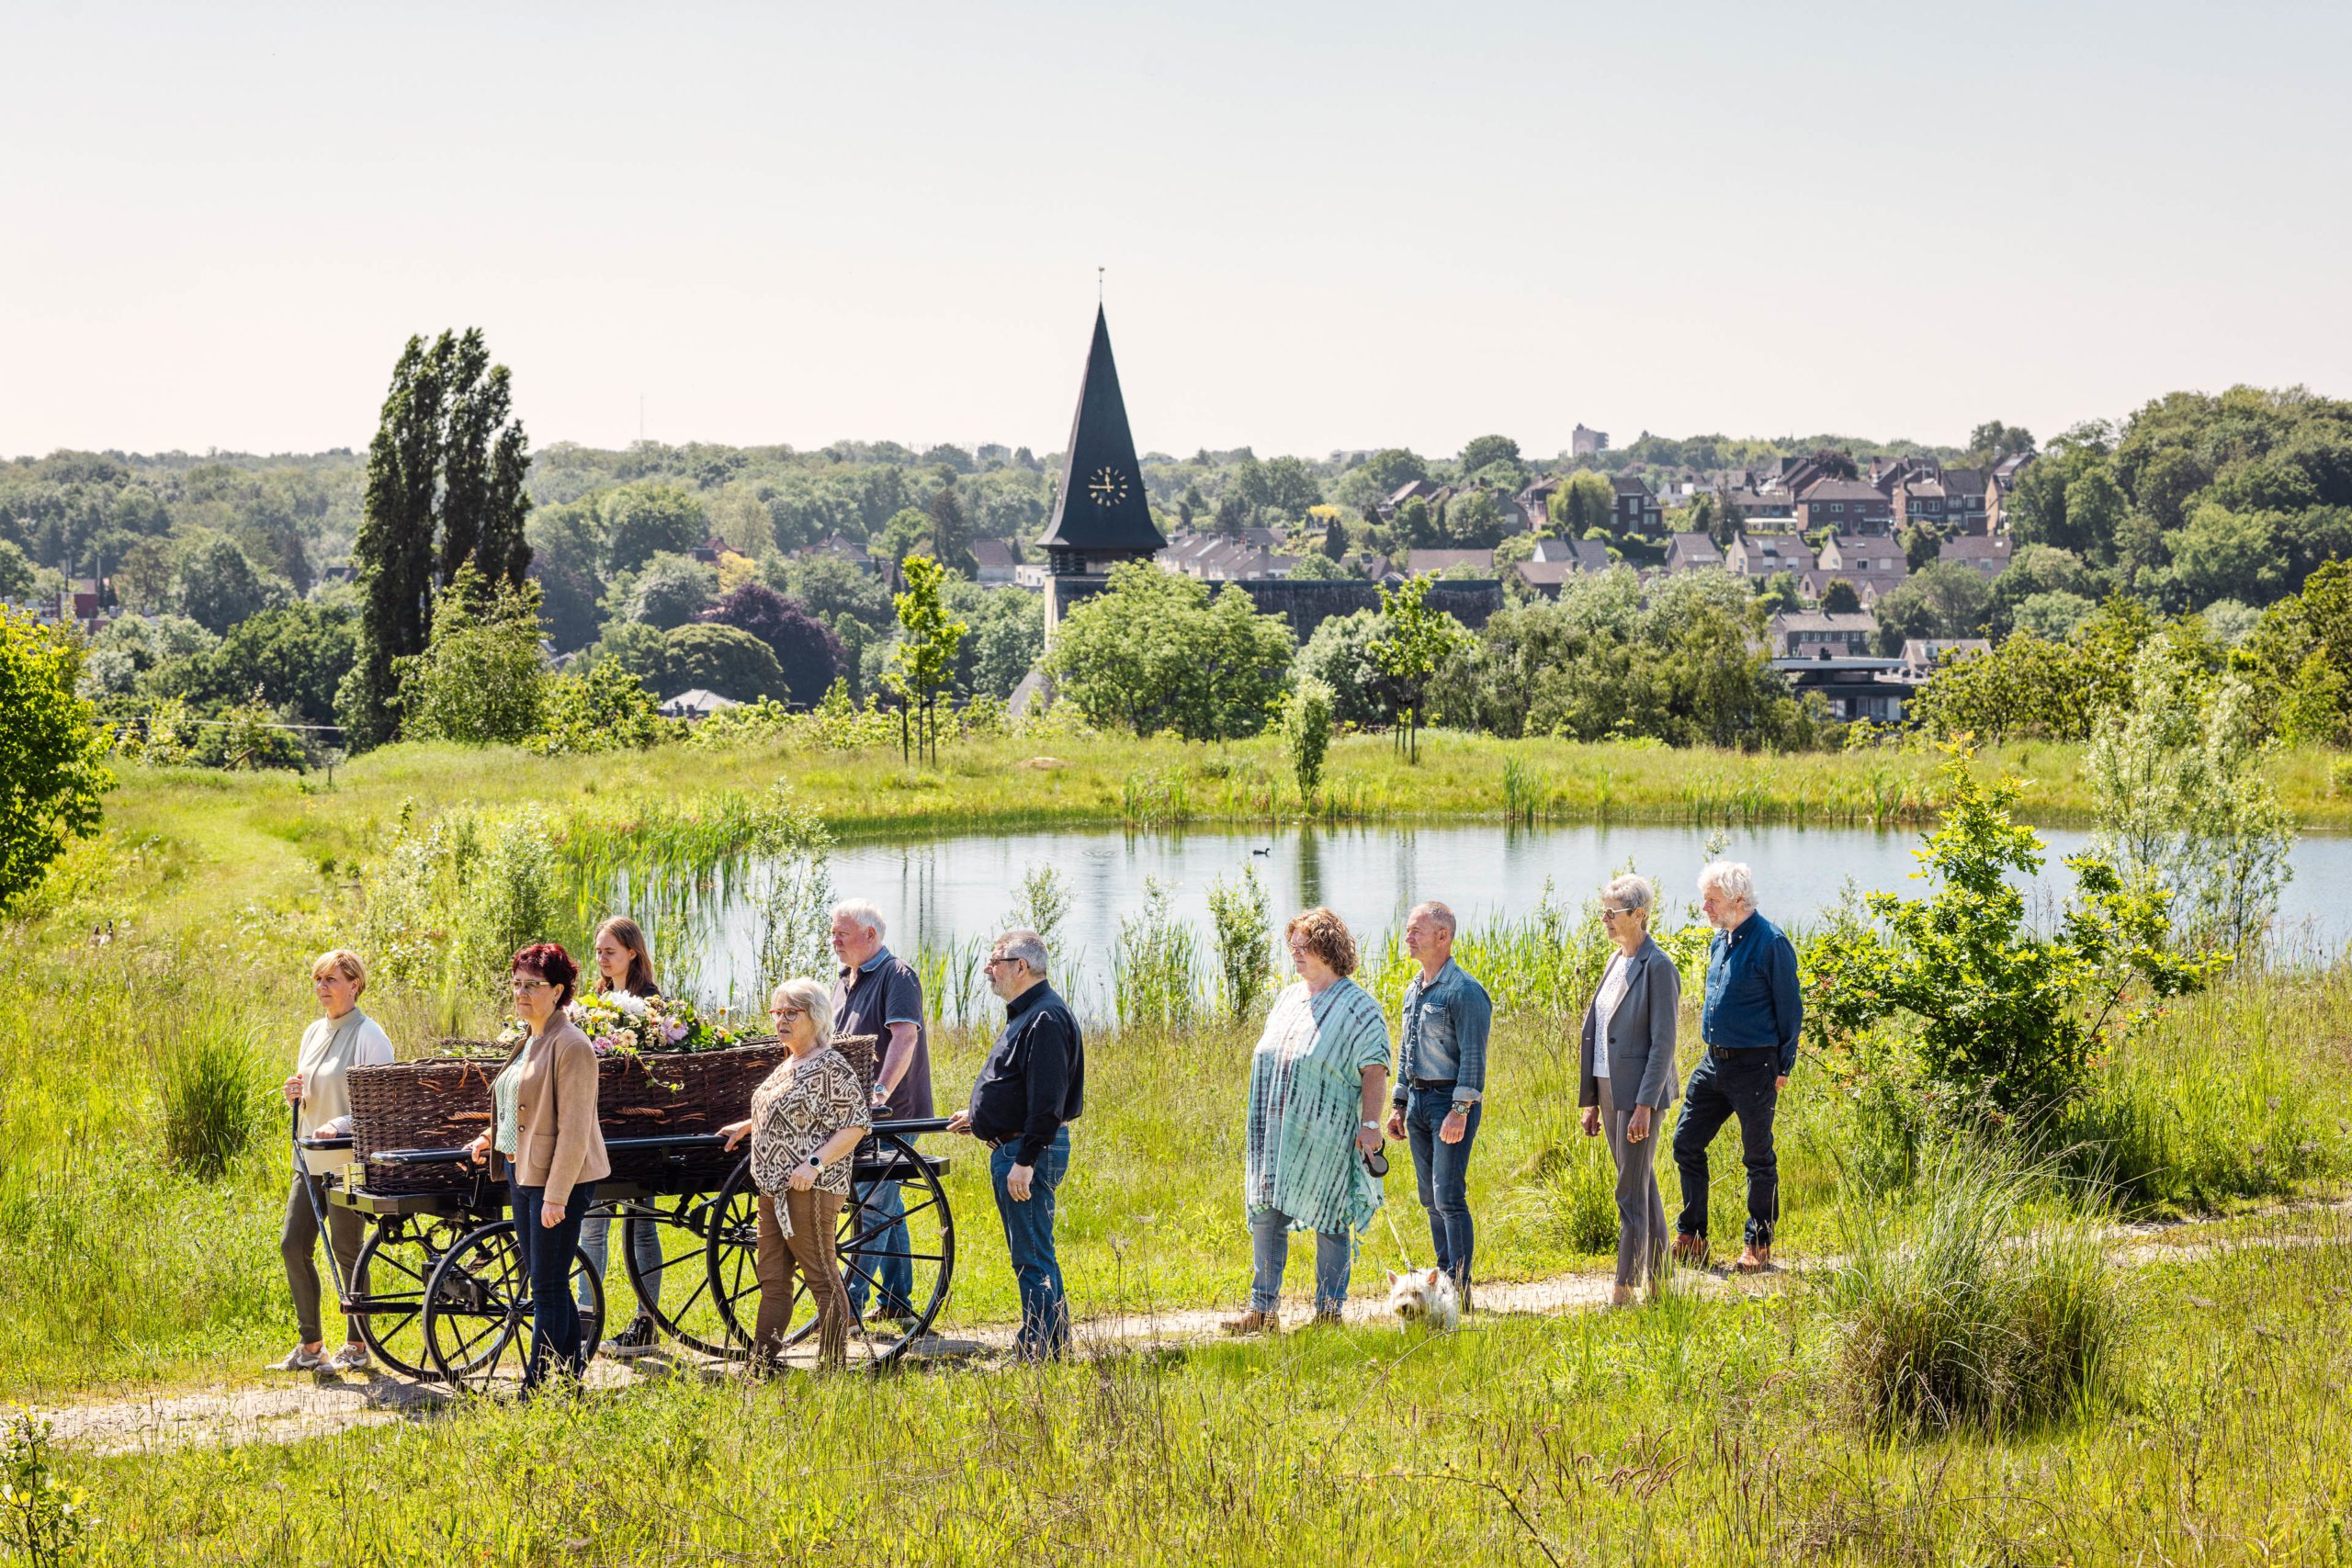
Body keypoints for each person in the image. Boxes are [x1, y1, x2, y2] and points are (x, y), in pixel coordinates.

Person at [1224, 907, 1392, 1334]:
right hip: (1275, 1133)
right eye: (1292, 945)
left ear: (1329, 948)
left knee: (1330, 1217)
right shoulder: (1288, 997)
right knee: (1266, 1215)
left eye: (1304, 945)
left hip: (1327, 1134)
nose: (1295, 952)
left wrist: (1371, 1126)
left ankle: (1329, 1313)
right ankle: (1262, 1311)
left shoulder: (1360, 1007)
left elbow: (1374, 1068)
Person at [464, 942, 611, 1393]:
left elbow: (574, 1129)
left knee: (545, 1289)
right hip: (521, 1171)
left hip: (556, 1178)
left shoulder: (572, 1045)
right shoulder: (530, 1038)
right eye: (517, 984)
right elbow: (519, 1104)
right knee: (547, 1281)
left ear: (559, 991)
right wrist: (493, 1138)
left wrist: (556, 1194)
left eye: (533, 985)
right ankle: (568, 1376)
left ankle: (538, 1385)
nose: (522, 993)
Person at [718, 978, 869, 1371]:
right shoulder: (788, 1063)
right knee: (772, 1278)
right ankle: (761, 1367)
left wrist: (814, 1164)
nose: (781, 1020)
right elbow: (788, 1113)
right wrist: (747, 1126)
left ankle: (833, 1370)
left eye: (791, 1013)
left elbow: (855, 1124)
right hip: (771, 1188)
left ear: (814, 1016)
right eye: (777, 1012)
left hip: (811, 1188)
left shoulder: (830, 1065)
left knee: (820, 1276)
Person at [947, 930, 1084, 1360]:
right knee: (1033, 1247)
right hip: (1020, 1144)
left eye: (995, 961)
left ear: (1020, 966)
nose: (988, 969)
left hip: (1028, 1151)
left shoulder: (1044, 1017)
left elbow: (1048, 1101)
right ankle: (1053, 1343)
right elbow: (1024, 1087)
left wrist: (1025, 1160)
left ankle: (1038, 1349)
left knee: (1030, 1253)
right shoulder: (1029, 1013)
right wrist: (983, 1117)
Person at [1672, 861, 1802, 1274]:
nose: (1704, 907)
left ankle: (1758, 1245)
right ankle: (1693, 1237)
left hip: (1755, 1066)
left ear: (1739, 900)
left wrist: (1783, 1065)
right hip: (1713, 1063)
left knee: (1757, 1157)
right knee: (1685, 1142)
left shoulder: (1771, 943)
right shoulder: (1720, 940)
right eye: (1704, 899)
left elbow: (1790, 1010)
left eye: (1712, 900)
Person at [273, 948, 395, 1372]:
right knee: (292, 1244)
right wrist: (297, 1093)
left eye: (331, 979)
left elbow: (378, 1106)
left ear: (354, 984)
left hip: (348, 1160)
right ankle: (311, 1347)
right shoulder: (312, 1032)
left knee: (348, 1252)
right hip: (308, 1158)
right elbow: (313, 1092)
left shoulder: (370, 1035)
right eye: (318, 980)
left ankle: (357, 1346)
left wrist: (339, 1124)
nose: (322, 987)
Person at [1577, 875, 1681, 1305]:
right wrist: (1590, 1101)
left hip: (1640, 1094)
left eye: (1611, 912)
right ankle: (1659, 1281)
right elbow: (1597, 1031)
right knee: (1641, 1185)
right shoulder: (1616, 959)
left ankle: (1624, 1289)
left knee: (1629, 1191)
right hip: (1607, 1088)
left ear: (1639, 915)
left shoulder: (1659, 967)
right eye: (1602, 911)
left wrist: (1644, 1105)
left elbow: (1664, 1044)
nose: (1604, 919)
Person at [827, 899, 931, 1325]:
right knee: (885, 1204)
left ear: (871, 935)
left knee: (872, 1205)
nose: (834, 940)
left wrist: (880, 1093)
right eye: (833, 932)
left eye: (842, 933)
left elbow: (904, 1039)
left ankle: (850, 1302)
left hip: (895, 1114)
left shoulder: (896, 975)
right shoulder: (844, 979)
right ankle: (897, 1302)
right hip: (854, 1117)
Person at [1383, 901, 1490, 1309]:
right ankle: (1441, 1284)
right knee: (1429, 1198)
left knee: (1448, 1196)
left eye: (1416, 931)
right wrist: (1398, 1103)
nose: (1408, 937)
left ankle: (1458, 1291)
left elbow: (1474, 1060)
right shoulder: (1414, 988)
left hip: (1450, 1102)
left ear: (1442, 937)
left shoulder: (1464, 991)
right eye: (1408, 930)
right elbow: (1407, 1052)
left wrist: (1459, 1111)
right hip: (1419, 1103)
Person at [578, 915, 665, 1350]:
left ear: (633, 952)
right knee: (591, 1224)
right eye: (598, 952)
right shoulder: (594, 999)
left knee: (641, 1226)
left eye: (610, 951)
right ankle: (585, 1319)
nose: (602, 959)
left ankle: (646, 1319)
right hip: (598, 1124)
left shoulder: (651, 1002)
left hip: (637, 1125)